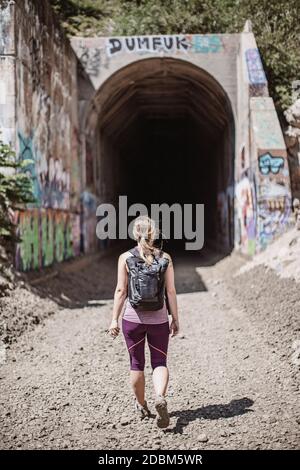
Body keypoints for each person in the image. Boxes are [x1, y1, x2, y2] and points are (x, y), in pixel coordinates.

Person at [107, 215, 179, 428]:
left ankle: (141, 405)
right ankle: (160, 396)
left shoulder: (125, 258)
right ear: (153, 233)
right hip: (158, 320)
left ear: (135, 233)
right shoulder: (165, 257)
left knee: (136, 364)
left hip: (132, 319)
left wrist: (114, 320)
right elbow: (171, 291)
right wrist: (175, 318)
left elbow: (121, 291)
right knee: (159, 362)